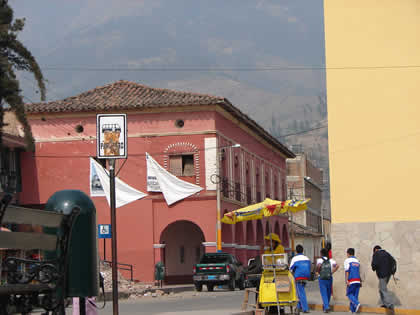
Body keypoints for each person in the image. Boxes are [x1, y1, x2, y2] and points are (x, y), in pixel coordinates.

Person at [371, 245, 396, 311]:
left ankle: (390, 304)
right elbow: (394, 261)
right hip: (389, 274)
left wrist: (374, 268)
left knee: (383, 289)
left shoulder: (376, 253)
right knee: (381, 288)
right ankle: (385, 304)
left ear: (376, 250)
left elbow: (374, 265)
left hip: (382, 274)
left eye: (374, 252)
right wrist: (392, 272)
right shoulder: (387, 253)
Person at [316, 248, 339, 313]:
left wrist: (317, 272)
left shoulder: (319, 260)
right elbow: (337, 266)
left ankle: (326, 307)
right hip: (329, 278)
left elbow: (318, 266)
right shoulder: (331, 260)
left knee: (324, 293)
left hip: (322, 278)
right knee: (328, 293)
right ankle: (326, 306)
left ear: (321, 253)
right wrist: (332, 272)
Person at [290, 244, 311, 313]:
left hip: (299, 277)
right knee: (299, 292)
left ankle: (305, 308)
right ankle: (299, 307)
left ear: (296, 251)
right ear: (303, 251)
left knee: (301, 293)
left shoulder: (294, 258)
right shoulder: (307, 258)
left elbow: (290, 269)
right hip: (306, 276)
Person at [344, 248, 361, 313]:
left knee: (349, 294)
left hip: (351, 280)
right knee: (355, 296)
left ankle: (357, 303)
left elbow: (347, 271)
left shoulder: (347, 260)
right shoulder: (357, 261)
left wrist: (347, 280)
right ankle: (352, 310)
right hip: (358, 280)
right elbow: (359, 271)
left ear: (348, 253)